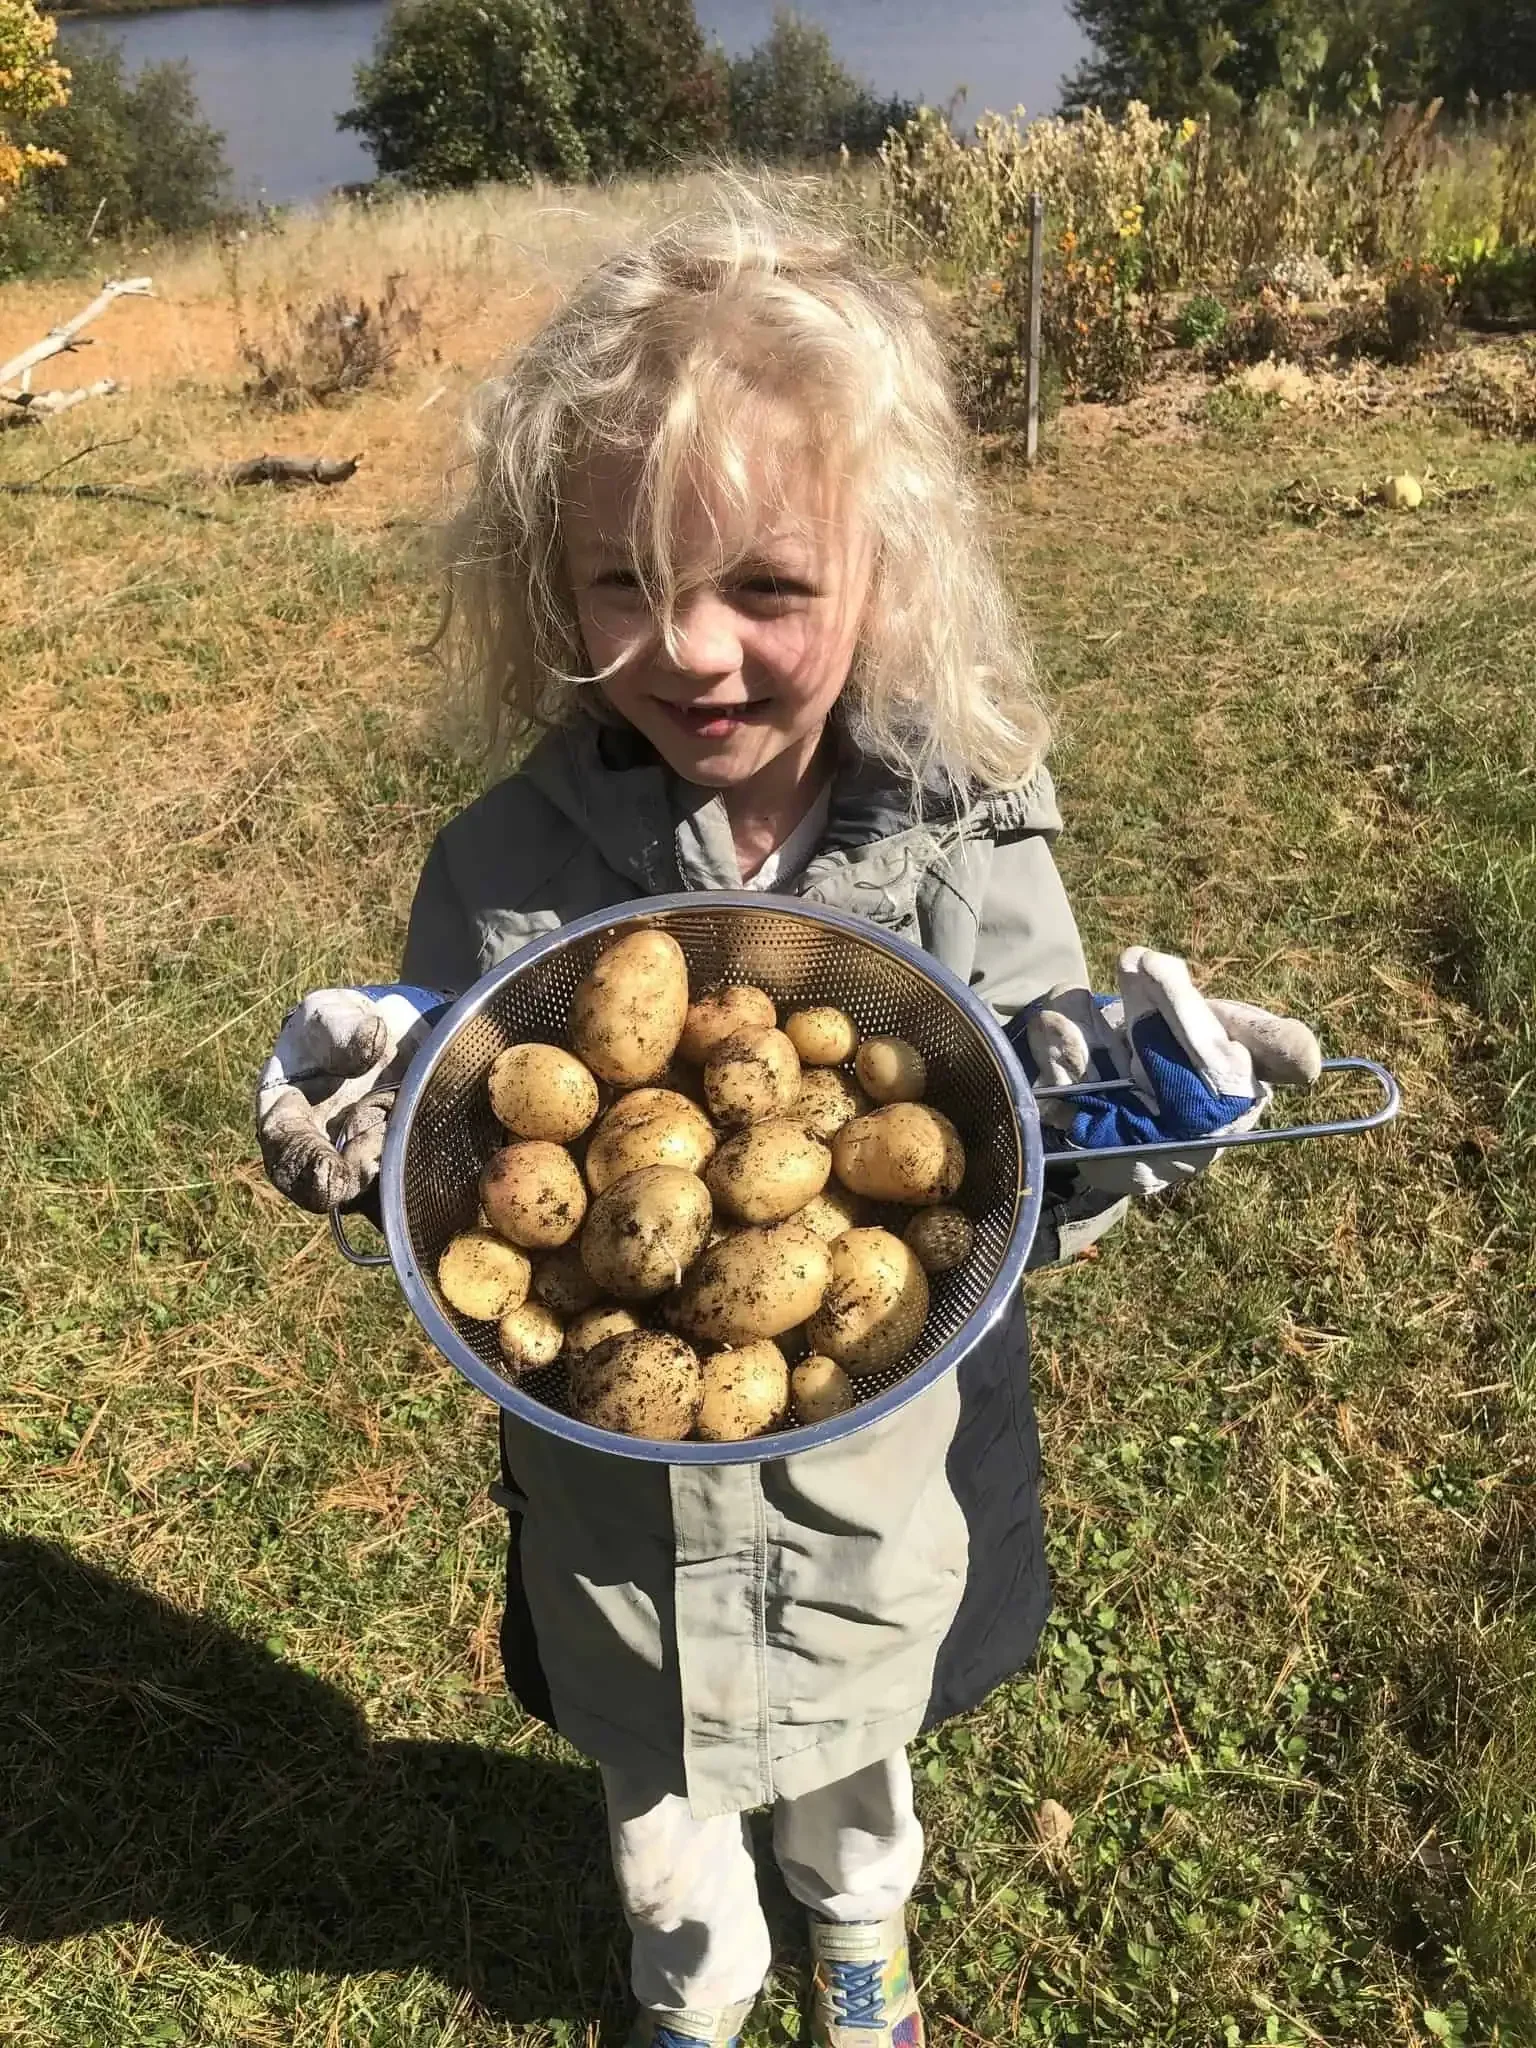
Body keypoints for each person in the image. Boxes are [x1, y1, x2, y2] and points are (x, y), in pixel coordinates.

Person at [255, 183, 1321, 2048]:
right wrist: (388, 1100)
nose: (694, 651)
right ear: (550, 586)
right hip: (613, 1508)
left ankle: (856, 1948)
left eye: (767, 585)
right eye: (625, 585)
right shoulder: (506, 860)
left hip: (873, 1465)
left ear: (884, 574)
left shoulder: (974, 825)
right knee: (661, 1813)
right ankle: (696, 1988)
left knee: (860, 1770)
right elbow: (489, 1142)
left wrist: (1114, 1103)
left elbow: (1004, 1140)